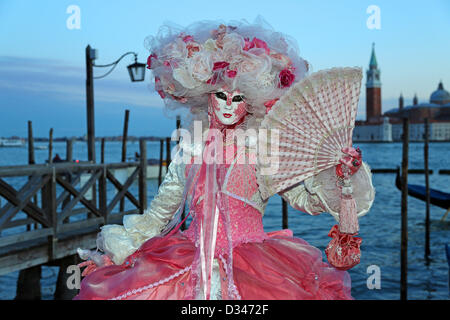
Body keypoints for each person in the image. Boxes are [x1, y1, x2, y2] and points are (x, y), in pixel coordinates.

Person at [75, 18, 375, 300]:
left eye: (238, 98)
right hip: (186, 259)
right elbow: (160, 214)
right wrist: (117, 254)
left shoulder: (261, 149)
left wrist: (338, 175)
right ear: (206, 96)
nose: (229, 105)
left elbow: (306, 201)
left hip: (257, 268)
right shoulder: (190, 148)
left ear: (253, 102)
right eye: (221, 95)